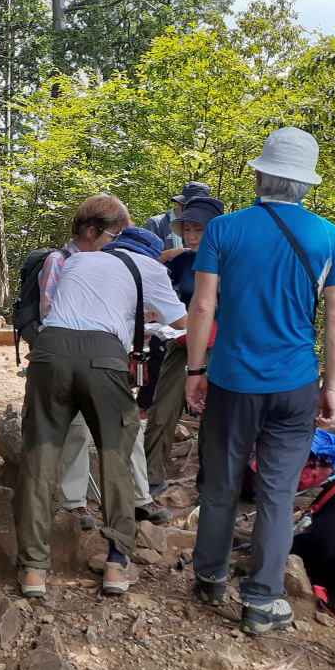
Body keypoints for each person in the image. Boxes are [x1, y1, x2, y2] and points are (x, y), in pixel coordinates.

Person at [185, 127, 335, 636]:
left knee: (221, 483)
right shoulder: (328, 236)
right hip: (296, 382)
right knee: (278, 494)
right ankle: (262, 600)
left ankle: (210, 577)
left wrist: (196, 370)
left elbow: (203, 304)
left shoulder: (224, 230)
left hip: (233, 381)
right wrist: (332, 384)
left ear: (260, 175)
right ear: (305, 184)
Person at [14, 220, 188, 599]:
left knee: (39, 460)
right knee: (116, 457)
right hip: (103, 361)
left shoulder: (81, 261)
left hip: (48, 354)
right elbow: (184, 323)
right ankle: (115, 562)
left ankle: (33, 570)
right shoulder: (151, 269)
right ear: (150, 253)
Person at [39, 196, 171, 530]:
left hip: (109, 357)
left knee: (128, 427)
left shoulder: (113, 263)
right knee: (78, 430)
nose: (120, 245)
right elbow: (50, 312)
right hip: (70, 355)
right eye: (115, 236)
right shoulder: (61, 260)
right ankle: (74, 502)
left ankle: (140, 498)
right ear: (91, 229)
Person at [140, 196, 224, 496]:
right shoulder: (181, 261)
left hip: (224, 347)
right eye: (187, 228)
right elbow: (161, 293)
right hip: (185, 342)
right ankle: (151, 476)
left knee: (216, 416)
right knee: (163, 408)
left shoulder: (235, 261)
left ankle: (212, 482)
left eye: (198, 228)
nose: (191, 236)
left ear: (215, 229)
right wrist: (153, 312)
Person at [144, 181, 211, 251]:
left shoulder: (205, 225)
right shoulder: (157, 223)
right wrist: (173, 254)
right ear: (179, 203)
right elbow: (145, 256)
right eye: (192, 206)